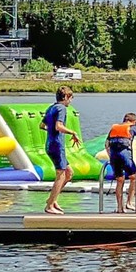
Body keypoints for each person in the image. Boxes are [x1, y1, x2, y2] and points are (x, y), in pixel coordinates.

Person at [42, 87, 81, 215]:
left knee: (69, 174)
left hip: (50, 144)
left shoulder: (51, 108)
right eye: (70, 98)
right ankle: (49, 205)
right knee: (61, 174)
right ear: (65, 97)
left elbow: (42, 126)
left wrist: (52, 132)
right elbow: (59, 126)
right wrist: (72, 132)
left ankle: (52, 199)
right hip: (56, 145)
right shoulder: (61, 108)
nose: (71, 101)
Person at [106, 113, 136, 213]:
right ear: (134, 121)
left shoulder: (114, 128)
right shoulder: (134, 128)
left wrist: (111, 157)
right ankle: (129, 203)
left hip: (114, 156)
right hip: (125, 155)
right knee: (134, 177)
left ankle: (119, 207)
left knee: (119, 180)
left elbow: (106, 145)